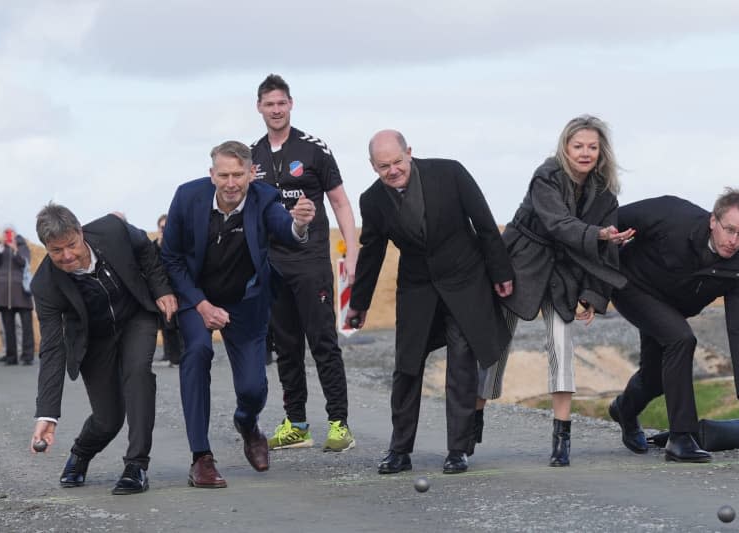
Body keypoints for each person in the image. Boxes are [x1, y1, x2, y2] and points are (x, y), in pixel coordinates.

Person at [347, 129, 514, 475]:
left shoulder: (450, 173)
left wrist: (501, 273)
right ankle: (399, 449)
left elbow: (483, 224)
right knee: (406, 366)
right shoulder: (372, 200)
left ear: (409, 152)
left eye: (397, 162)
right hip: (417, 287)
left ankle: (458, 450)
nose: (392, 170)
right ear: (372, 166)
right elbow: (373, 254)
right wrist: (359, 304)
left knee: (462, 364)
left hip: (465, 280)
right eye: (383, 166)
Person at [479, 115, 632, 466]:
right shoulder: (545, 176)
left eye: (592, 147)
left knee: (562, 347)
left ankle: (561, 439)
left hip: (564, 273)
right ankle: (471, 424)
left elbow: (606, 251)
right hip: (520, 263)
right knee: (493, 347)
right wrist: (600, 234)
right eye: (578, 146)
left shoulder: (605, 193)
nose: (585, 153)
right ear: (565, 147)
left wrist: (593, 295)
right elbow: (558, 225)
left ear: (601, 151)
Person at [161, 140, 315, 488]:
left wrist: (300, 225)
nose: (231, 183)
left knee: (253, 388)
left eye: (238, 175)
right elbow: (170, 258)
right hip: (196, 299)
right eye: (224, 175)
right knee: (197, 352)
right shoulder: (187, 198)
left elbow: (285, 230)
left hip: (245, 301)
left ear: (251, 173)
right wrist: (200, 305)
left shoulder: (266, 199)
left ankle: (247, 424)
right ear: (211, 174)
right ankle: (201, 458)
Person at [608, 189, 739, 463]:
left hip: (669, 307)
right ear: (712, 220)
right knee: (681, 338)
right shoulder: (671, 214)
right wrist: (589, 280)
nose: (733, 241)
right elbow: (610, 222)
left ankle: (624, 408)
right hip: (629, 284)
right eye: (729, 229)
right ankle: (681, 438)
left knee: (657, 378)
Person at [29, 204, 177, 495]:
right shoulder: (45, 285)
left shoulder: (113, 229)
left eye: (71, 245)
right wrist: (47, 414)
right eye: (56, 251)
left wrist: (161, 289)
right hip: (93, 340)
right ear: (46, 248)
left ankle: (136, 466)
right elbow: (52, 348)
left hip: (135, 316)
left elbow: (146, 248)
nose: (67, 256)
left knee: (138, 375)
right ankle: (81, 453)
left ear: (80, 231)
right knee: (108, 419)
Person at [251, 74, 358, 452]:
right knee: (286, 345)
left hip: (311, 261)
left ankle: (339, 424)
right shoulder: (253, 156)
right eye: (269, 104)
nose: (276, 110)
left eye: (281, 103)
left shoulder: (314, 149)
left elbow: (341, 203)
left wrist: (352, 254)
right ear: (259, 108)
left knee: (323, 341)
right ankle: (296, 424)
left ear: (291, 104)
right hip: (273, 264)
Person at [0, 226, 35, 365]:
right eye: (6, 233)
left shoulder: (22, 246)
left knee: (26, 325)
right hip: (3, 292)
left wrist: (15, 249)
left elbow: (25, 263)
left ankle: (27, 356)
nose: (8, 236)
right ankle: (11, 357)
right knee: (8, 326)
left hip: (21, 291)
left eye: (10, 233)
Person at [153, 214, 182, 367]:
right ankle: (171, 356)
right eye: (162, 227)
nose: (164, 230)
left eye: (167, 227)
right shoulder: (153, 247)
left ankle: (180, 356)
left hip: (178, 289)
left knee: (181, 325)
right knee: (167, 325)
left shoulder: (177, 245)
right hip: (163, 290)